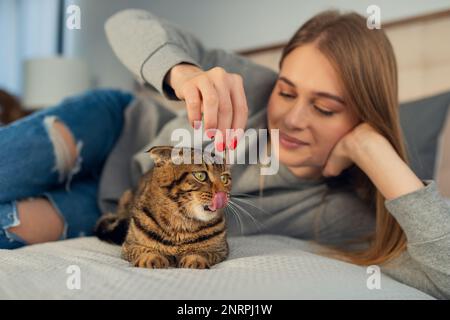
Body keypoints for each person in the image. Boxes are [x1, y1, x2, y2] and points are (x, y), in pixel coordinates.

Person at [0, 9, 448, 299]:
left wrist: (375, 152)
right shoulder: (248, 86)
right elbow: (124, 23)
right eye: (287, 91)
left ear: (364, 118)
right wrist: (183, 71)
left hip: (111, 209)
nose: (291, 119)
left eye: (325, 107)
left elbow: (443, 276)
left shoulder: (346, 215)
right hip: (115, 129)